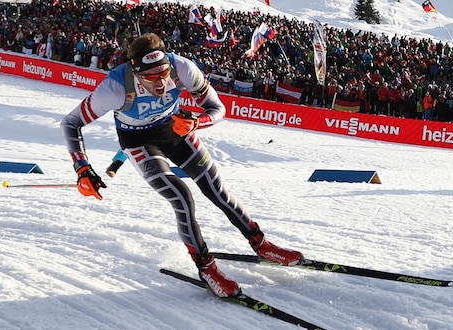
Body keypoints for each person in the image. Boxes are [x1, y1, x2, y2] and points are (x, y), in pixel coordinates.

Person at [60, 33, 303, 298]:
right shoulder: (116, 87)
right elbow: (71, 123)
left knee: (216, 189)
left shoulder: (182, 67)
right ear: (135, 71)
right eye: (151, 77)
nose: (162, 82)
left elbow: (217, 108)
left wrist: (198, 122)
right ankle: (207, 268)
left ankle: (261, 243)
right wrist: (82, 168)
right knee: (182, 197)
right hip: (139, 141)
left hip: (176, 129)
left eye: (164, 73)